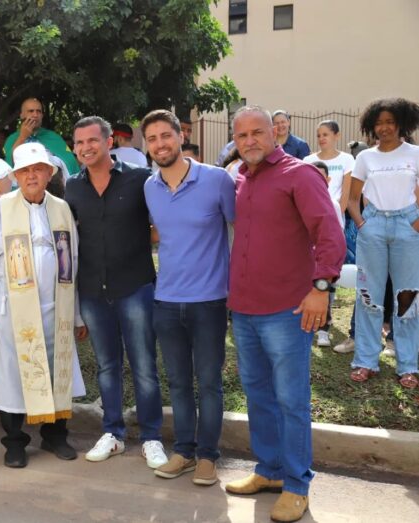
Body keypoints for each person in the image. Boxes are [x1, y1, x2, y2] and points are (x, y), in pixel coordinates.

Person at [224, 106, 345, 523]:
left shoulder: (300, 174)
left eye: (257, 132)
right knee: (258, 394)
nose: (250, 141)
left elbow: (330, 234)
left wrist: (321, 289)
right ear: (235, 141)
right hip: (244, 308)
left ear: (274, 134)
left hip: (288, 310)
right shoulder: (238, 178)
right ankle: (270, 470)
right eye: (242, 136)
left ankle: (297, 485)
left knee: (291, 400)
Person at [0, 142, 86, 468]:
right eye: (25, 171)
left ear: (49, 173)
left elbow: (72, 262)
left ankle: (55, 436)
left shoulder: (62, 209)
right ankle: (15, 443)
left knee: (56, 374)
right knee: (13, 379)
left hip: (56, 311)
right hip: (12, 315)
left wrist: (76, 316)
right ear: (16, 176)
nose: (32, 176)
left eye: (38, 169)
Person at [64, 116, 166, 470]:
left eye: (92, 140)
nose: (85, 148)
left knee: (144, 366)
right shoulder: (72, 187)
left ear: (109, 142)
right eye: (79, 143)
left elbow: (160, 226)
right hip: (93, 291)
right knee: (107, 367)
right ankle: (113, 433)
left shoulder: (140, 179)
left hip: (135, 286)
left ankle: (151, 437)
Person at [142, 110, 235, 486]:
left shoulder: (216, 180)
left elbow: (238, 231)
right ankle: (183, 451)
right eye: (152, 139)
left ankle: (208, 457)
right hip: (166, 300)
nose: (160, 144)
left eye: (166, 135)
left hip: (210, 301)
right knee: (178, 383)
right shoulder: (150, 187)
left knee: (209, 382)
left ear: (181, 136)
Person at [347, 97, 419, 390]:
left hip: (408, 226)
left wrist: (415, 224)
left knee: (408, 297)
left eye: (390, 121)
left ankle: (408, 365)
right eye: (379, 123)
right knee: (368, 295)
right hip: (373, 227)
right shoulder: (365, 158)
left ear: (401, 123)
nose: (384, 127)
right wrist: (362, 224)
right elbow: (353, 199)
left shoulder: (415, 153)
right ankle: (365, 360)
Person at [309, 161, 346, 350]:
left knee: (326, 293)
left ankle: (324, 330)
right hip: (305, 258)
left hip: (324, 259)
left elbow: (337, 234)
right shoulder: (301, 201)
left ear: (328, 179)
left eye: (321, 176)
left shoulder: (332, 203)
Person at [3, 97, 80, 174]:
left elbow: (70, 162)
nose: (35, 115)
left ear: (42, 115)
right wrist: (22, 137)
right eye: (31, 111)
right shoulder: (12, 139)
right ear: (22, 115)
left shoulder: (53, 137)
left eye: (38, 111)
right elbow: (8, 164)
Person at [303, 120, 355, 218]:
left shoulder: (347, 159)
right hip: (313, 213)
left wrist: (337, 214)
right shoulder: (307, 160)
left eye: (325, 135)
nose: (321, 138)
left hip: (336, 214)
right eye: (318, 136)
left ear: (337, 136)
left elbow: (346, 194)